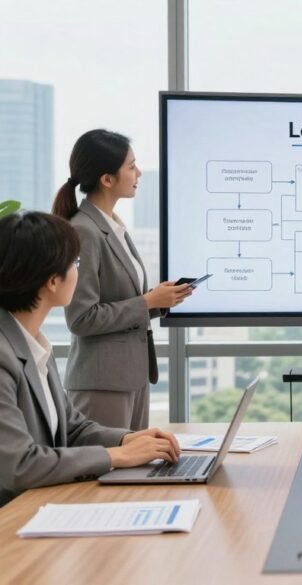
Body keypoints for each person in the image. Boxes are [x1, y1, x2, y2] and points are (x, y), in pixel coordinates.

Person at [0, 212, 181, 507]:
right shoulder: (4, 355)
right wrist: (114, 456)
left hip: (43, 507)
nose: (78, 271)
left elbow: (72, 428)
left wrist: (127, 440)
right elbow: (19, 465)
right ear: (51, 282)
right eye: (75, 264)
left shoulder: (33, 344)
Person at [52, 129, 191, 430]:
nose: (138, 172)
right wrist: (147, 302)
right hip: (103, 383)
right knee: (108, 474)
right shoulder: (84, 231)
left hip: (131, 378)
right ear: (107, 179)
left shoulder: (113, 227)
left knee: (133, 472)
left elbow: (121, 303)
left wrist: (159, 301)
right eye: (131, 166)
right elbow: (82, 318)